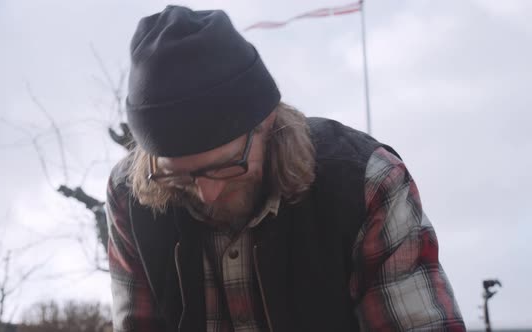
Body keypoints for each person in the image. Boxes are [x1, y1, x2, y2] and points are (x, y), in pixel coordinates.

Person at [106, 5, 465, 332]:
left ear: (267, 123)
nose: (206, 193)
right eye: (179, 175)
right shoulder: (129, 197)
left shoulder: (366, 183)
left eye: (226, 165)